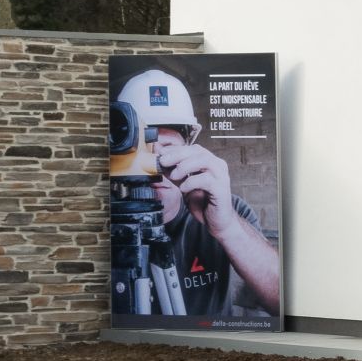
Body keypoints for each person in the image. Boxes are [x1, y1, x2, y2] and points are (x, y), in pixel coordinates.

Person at [109, 68, 284, 322]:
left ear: (189, 151)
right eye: (142, 152)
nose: (156, 169)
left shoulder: (230, 210)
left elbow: (282, 302)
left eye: (167, 153)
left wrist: (227, 228)